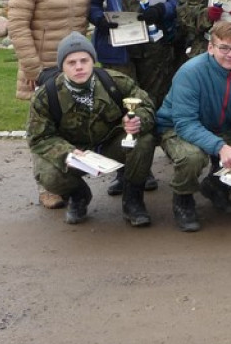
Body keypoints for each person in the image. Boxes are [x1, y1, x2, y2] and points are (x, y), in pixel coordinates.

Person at [27, 32, 156, 227]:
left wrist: (138, 120)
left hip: (109, 145)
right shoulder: (47, 95)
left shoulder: (114, 82)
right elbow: (39, 138)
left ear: (92, 61)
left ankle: (133, 199)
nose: (79, 67)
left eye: (84, 60)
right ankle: (78, 196)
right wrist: (66, 153)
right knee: (48, 174)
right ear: (61, 65)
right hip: (74, 152)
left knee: (143, 140)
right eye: (71, 62)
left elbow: (146, 106)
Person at [156, 21, 231, 232]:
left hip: (221, 125)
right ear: (211, 48)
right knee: (192, 158)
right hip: (177, 127)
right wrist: (220, 147)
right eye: (224, 48)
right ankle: (183, 200)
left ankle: (216, 187)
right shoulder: (190, 72)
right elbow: (185, 123)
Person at [7, 0, 91, 210]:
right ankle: (47, 187)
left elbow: (83, 22)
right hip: (42, 67)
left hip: (75, 66)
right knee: (43, 129)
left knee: (70, 126)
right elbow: (17, 27)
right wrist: (36, 70)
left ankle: (68, 180)